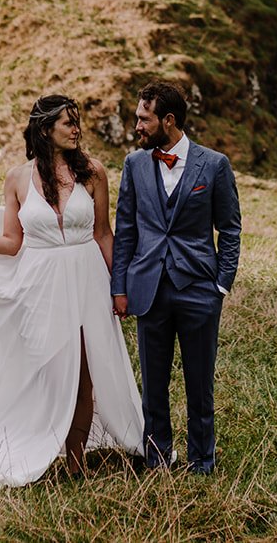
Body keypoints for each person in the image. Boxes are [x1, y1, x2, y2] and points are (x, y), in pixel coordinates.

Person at [0, 95, 143, 487]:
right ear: (46, 129)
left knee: (85, 372)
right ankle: (35, 442)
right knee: (45, 369)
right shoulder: (17, 178)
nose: (76, 129)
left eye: (76, 122)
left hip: (87, 280)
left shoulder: (94, 172)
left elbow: (103, 235)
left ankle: (76, 461)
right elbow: (13, 242)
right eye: (67, 123)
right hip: (41, 285)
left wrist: (121, 288)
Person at [111, 80, 242, 474]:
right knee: (153, 385)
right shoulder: (134, 164)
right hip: (148, 288)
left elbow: (230, 228)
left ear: (168, 120)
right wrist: (120, 287)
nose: (137, 127)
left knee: (199, 384)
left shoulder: (214, 165)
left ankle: (202, 461)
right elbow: (126, 230)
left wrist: (221, 283)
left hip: (199, 289)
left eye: (143, 119)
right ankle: (157, 459)